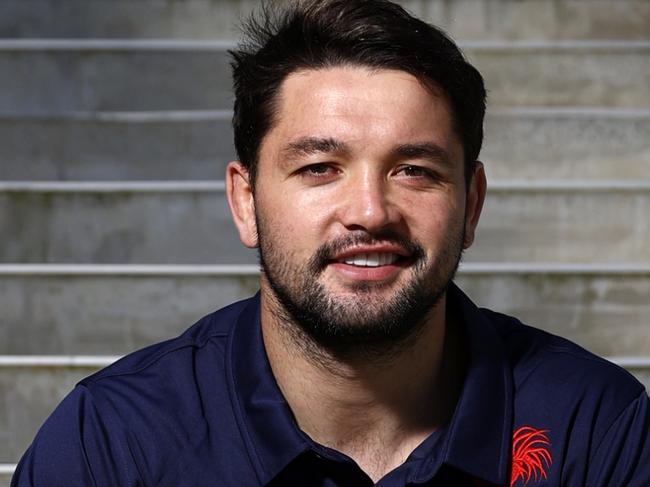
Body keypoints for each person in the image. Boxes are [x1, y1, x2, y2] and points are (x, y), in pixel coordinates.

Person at [12, 1, 649, 485]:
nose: (370, 212)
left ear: (472, 204)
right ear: (246, 201)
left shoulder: (593, 427)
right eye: (319, 168)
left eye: (415, 171)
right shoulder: (112, 444)